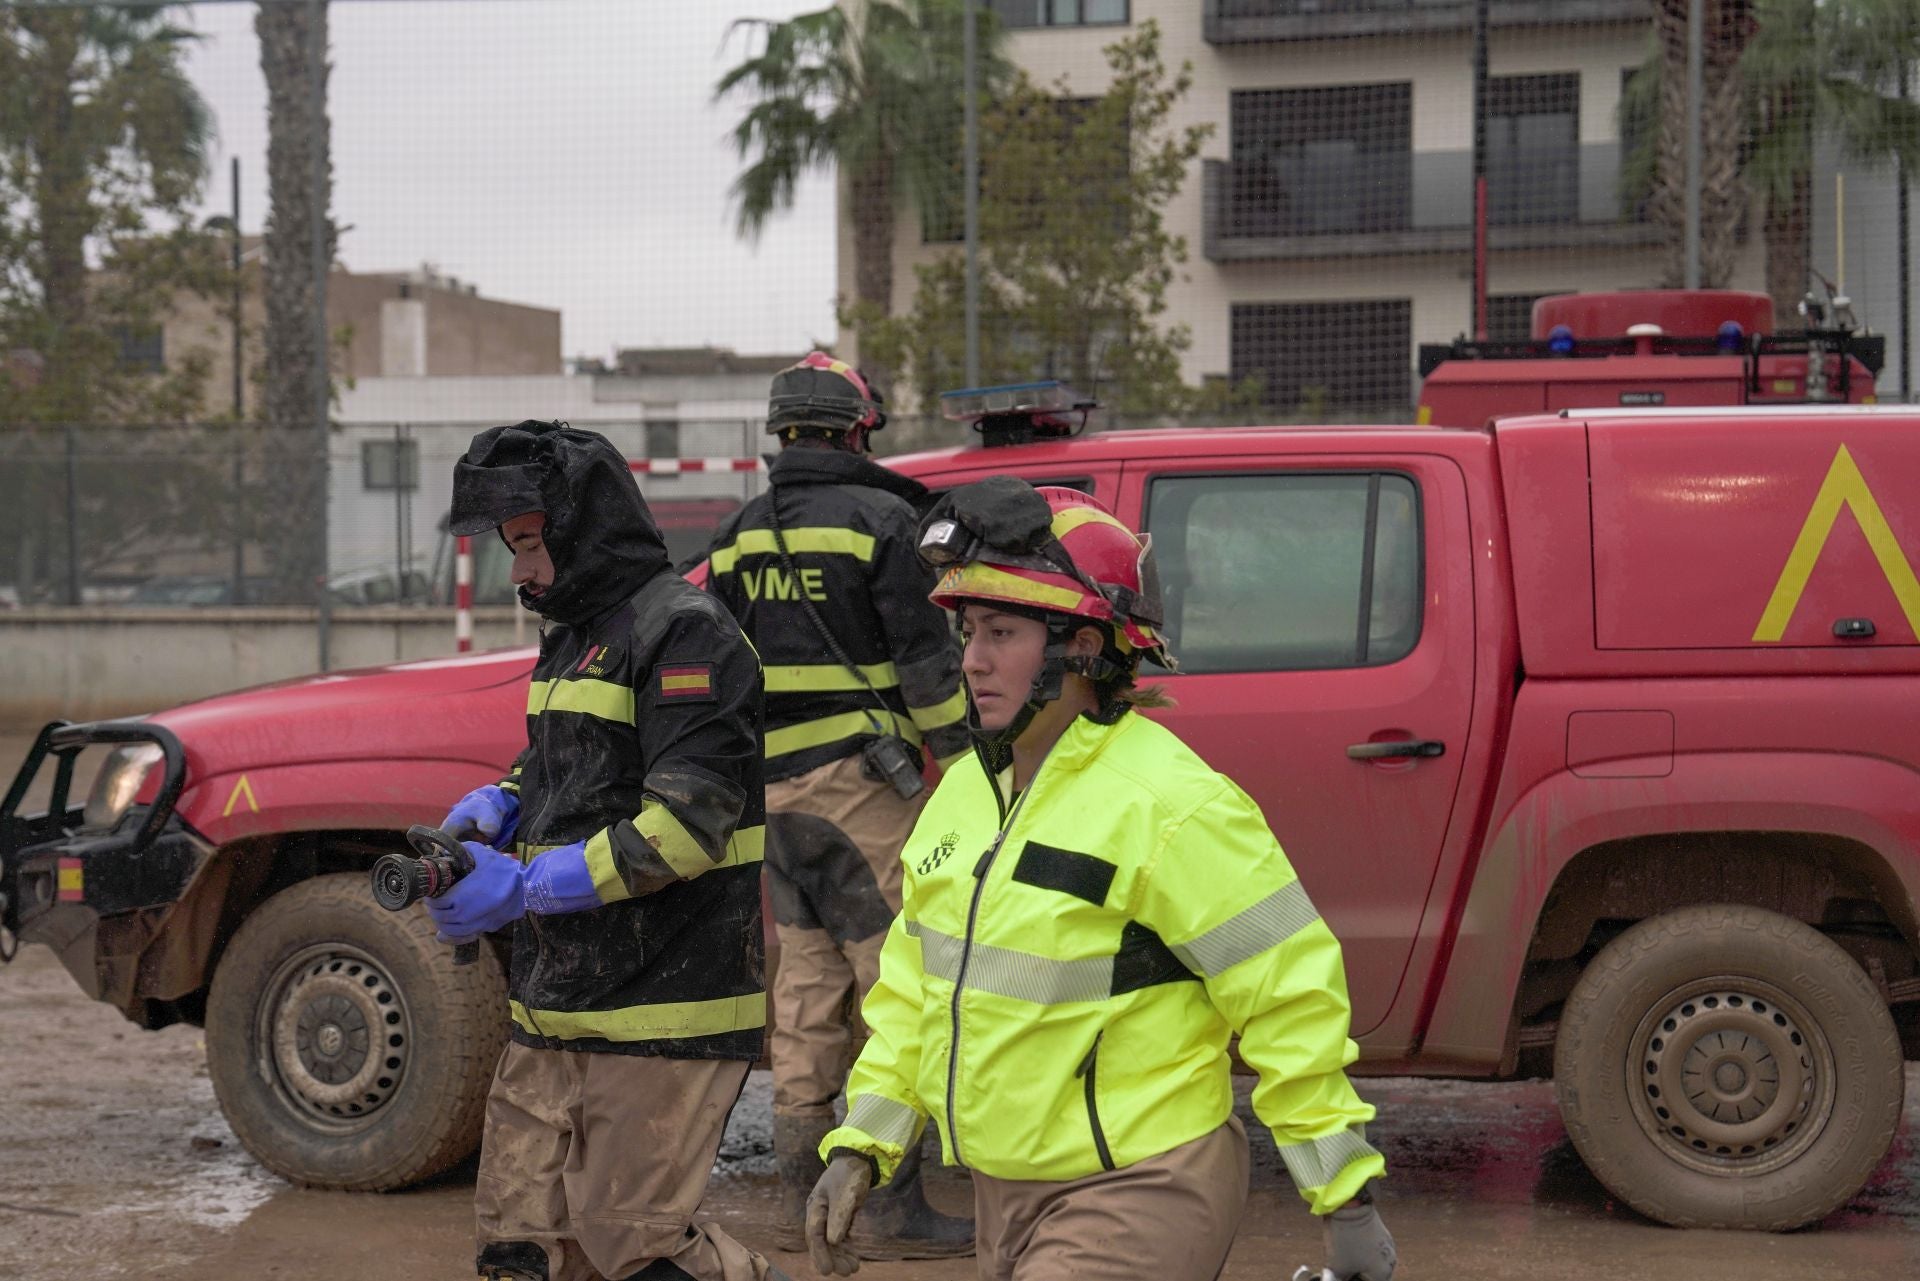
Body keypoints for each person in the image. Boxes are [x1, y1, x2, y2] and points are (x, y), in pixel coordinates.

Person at [802, 478, 1398, 1281]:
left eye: (1003, 632)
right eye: (969, 629)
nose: (971, 658)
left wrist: (1346, 1200)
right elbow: (916, 996)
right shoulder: (964, 795)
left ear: (1083, 647)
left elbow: (1287, 997)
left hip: (1142, 1183)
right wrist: (861, 1147)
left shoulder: (1172, 803)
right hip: (1004, 1192)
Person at [432, 420, 787, 1281]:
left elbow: (685, 830)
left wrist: (525, 887)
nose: (517, 570)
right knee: (523, 1247)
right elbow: (566, 769)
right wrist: (503, 806)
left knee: (637, 1247)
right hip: (557, 1006)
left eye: (527, 544)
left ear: (580, 527)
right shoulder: (572, 633)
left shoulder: (687, 634)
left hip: (667, 1007)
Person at [703, 352, 974, 1259]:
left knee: (807, 987)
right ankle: (891, 1206)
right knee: (896, 982)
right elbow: (930, 667)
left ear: (780, 433)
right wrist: (973, 762)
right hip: (863, 791)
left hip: (773, 797)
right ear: (859, 429)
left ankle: (799, 1196)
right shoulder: (885, 520)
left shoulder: (738, 536)